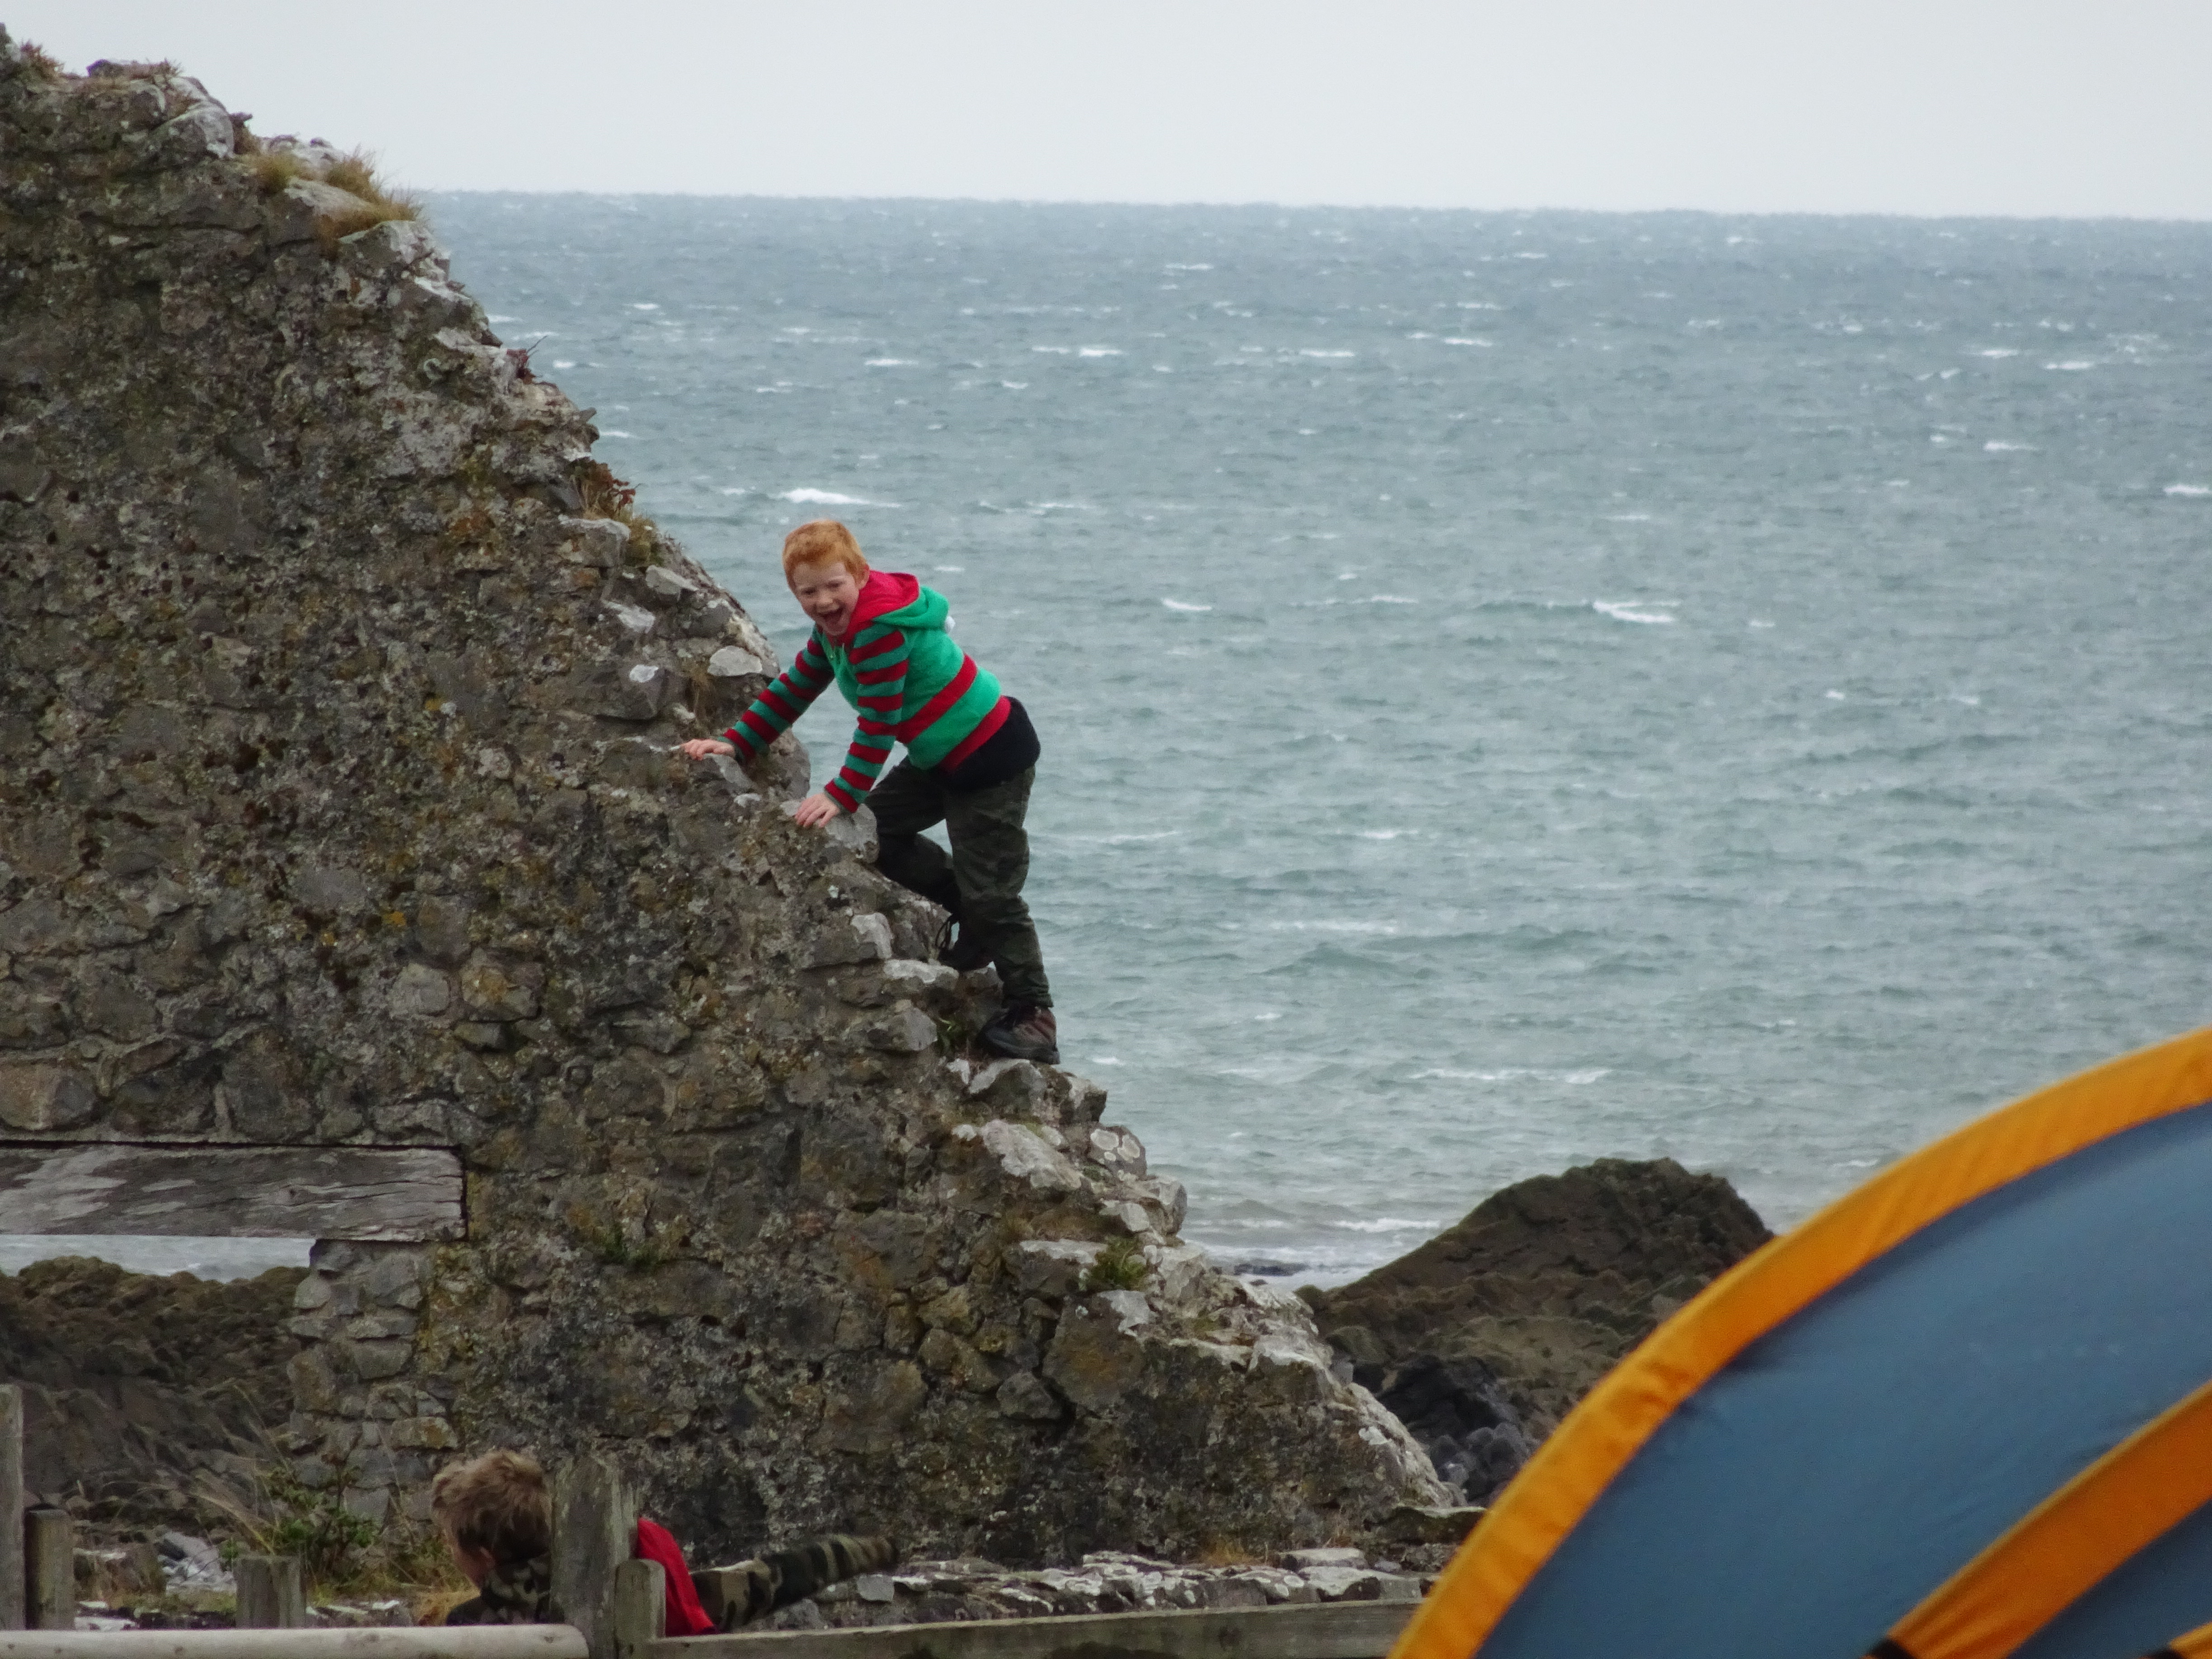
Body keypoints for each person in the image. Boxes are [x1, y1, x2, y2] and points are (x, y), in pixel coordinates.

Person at [681, 520, 1057, 1064]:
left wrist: (842, 793)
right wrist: (737, 743)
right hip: (938, 756)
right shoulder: (836, 632)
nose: (823, 600)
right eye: (808, 591)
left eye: (834, 585)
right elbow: (796, 686)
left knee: (994, 894)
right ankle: (968, 913)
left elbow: (880, 722)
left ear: (859, 576)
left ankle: (1035, 1014)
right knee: (878, 837)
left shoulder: (878, 631)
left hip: (990, 757)